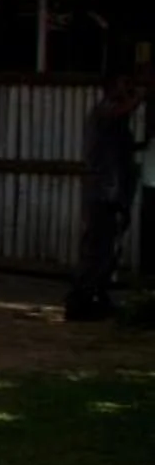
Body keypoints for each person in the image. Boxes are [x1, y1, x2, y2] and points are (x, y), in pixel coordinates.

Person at [65, 69, 149, 321]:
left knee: (107, 249)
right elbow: (123, 110)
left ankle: (95, 296)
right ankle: (80, 301)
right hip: (102, 192)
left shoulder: (115, 121)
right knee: (96, 248)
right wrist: (142, 94)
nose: (129, 88)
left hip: (112, 191)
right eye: (125, 84)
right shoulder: (105, 111)